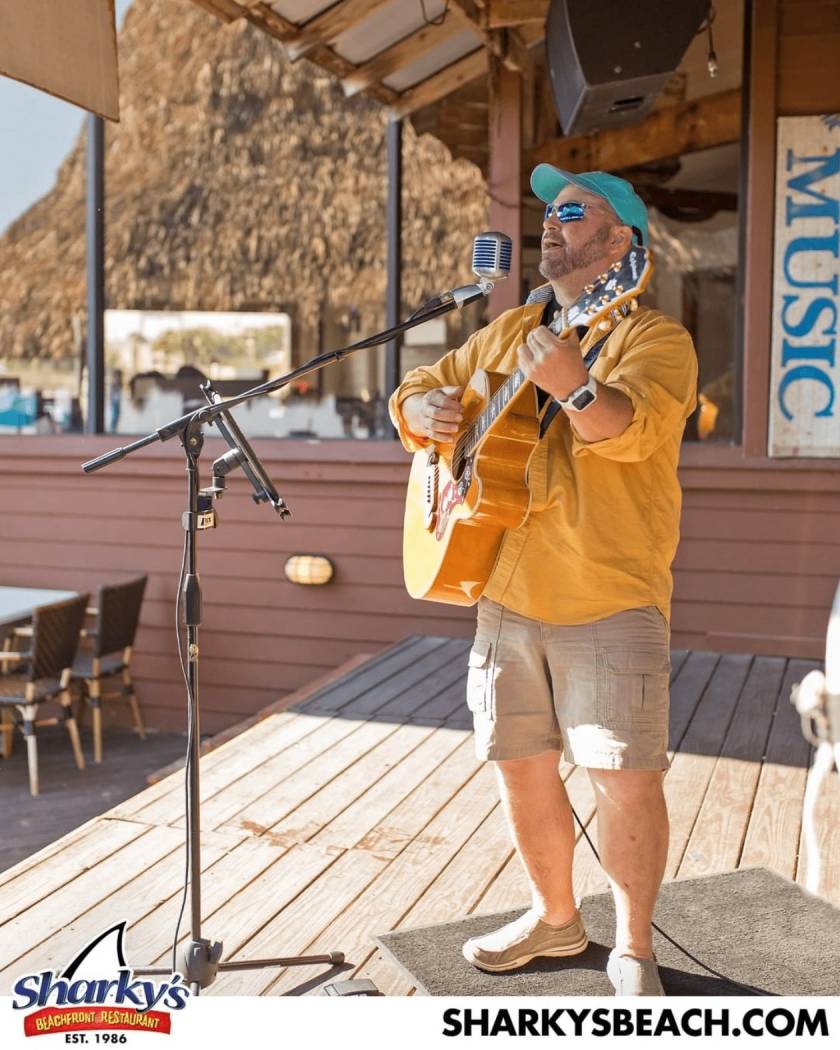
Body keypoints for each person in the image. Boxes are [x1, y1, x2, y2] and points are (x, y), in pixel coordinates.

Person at [388, 166, 698, 997]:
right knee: (519, 764)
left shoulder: (655, 340)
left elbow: (630, 433)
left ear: (622, 239)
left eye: (573, 211)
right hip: (504, 590)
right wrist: (423, 419)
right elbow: (419, 387)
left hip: (607, 594)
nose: (549, 225)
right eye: (547, 213)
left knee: (622, 780)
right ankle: (556, 920)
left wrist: (577, 385)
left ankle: (635, 946)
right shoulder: (516, 325)